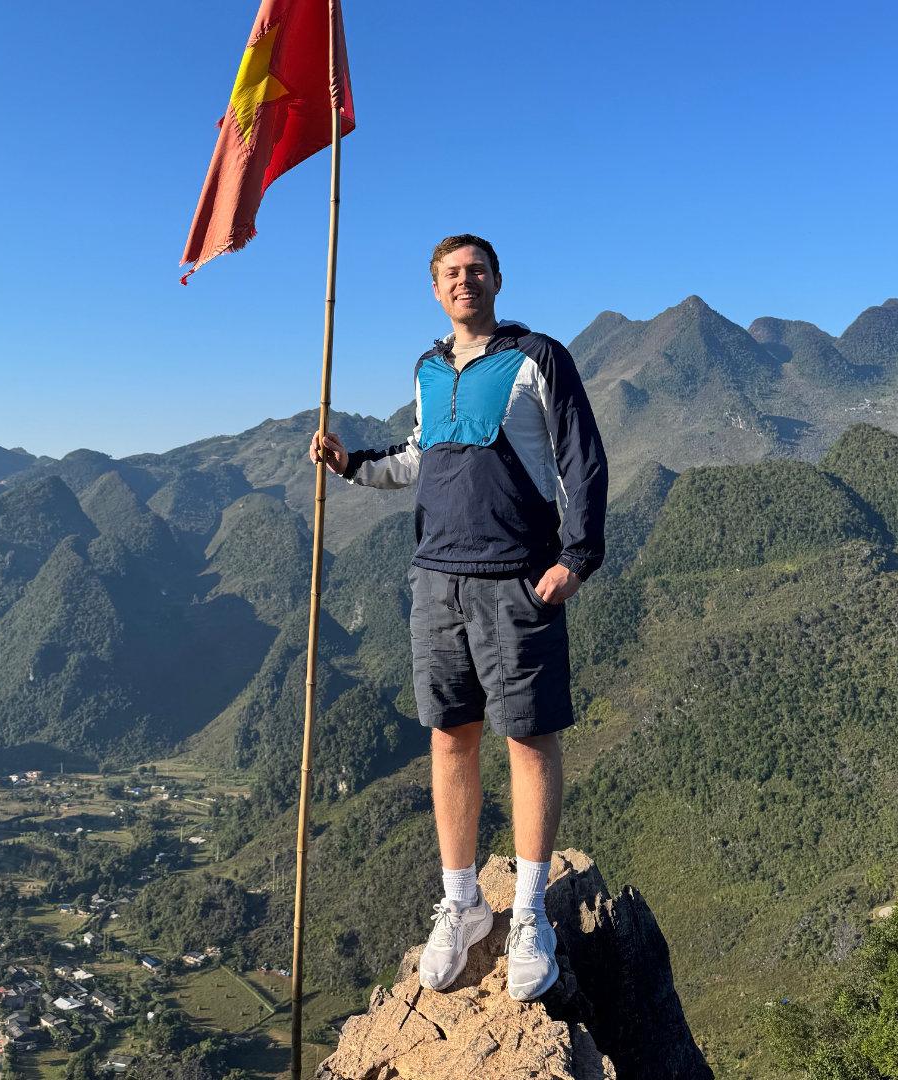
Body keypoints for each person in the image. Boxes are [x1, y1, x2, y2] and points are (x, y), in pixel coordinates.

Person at [308, 234, 607, 1001]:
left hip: (517, 578)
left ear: (497, 280)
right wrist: (351, 464)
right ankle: (464, 902)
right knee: (449, 737)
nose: (464, 281)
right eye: (451, 273)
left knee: (529, 739)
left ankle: (529, 912)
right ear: (436, 289)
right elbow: (419, 455)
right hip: (436, 577)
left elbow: (582, 458)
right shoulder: (429, 367)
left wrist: (578, 556)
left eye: (475, 270)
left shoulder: (538, 357)